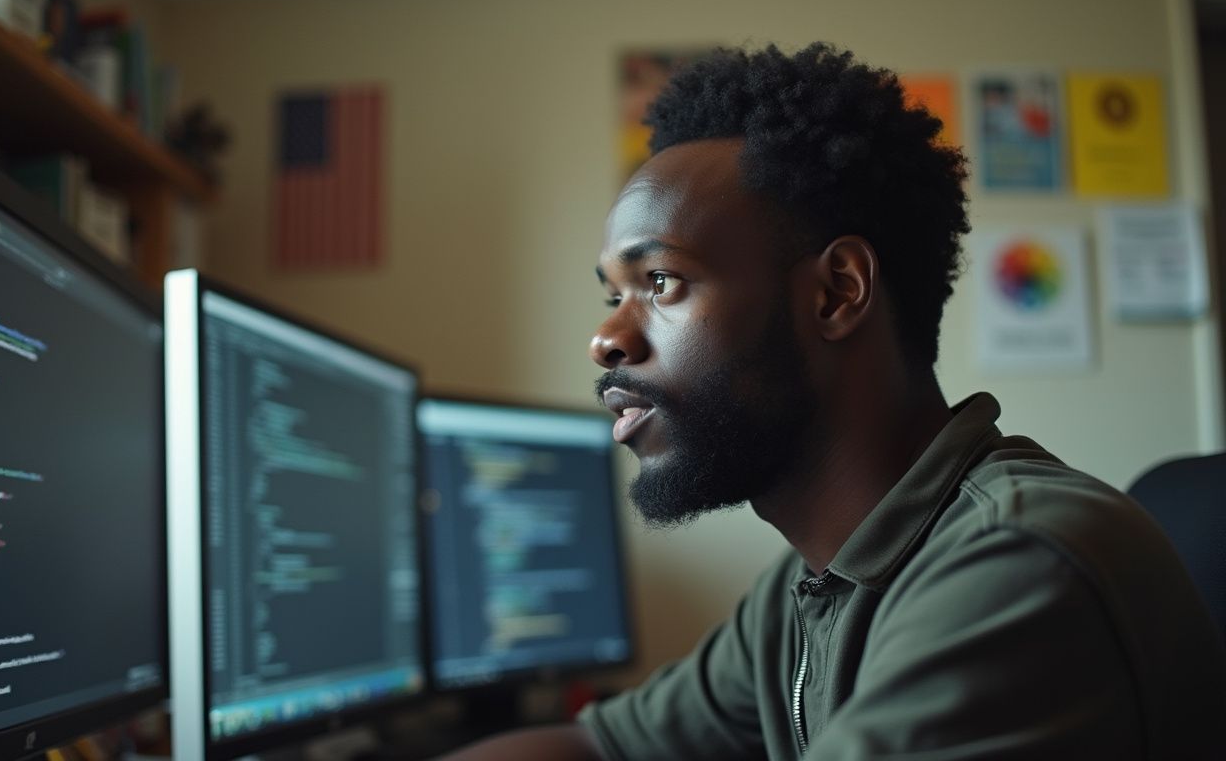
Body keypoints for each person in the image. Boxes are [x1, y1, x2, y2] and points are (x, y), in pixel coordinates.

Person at [441, 43, 1226, 760]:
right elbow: (596, 748)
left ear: (836, 293)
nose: (605, 338)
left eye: (659, 283)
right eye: (613, 293)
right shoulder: (812, 588)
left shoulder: (1016, 568)